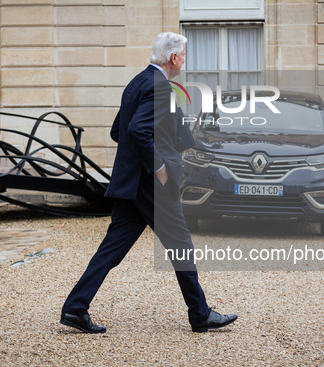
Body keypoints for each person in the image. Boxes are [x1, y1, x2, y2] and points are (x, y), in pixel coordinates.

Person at [60, 32, 237, 333]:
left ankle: (75, 309)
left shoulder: (138, 82)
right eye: (183, 54)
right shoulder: (159, 87)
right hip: (151, 185)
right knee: (181, 244)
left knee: (111, 250)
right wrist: (159, 167)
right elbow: (136, 131)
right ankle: (200, 314)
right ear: (173, 58)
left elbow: (120, 130)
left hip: (131, 184)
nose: (184, 59)